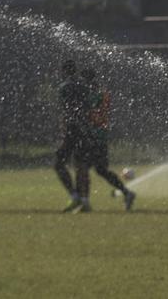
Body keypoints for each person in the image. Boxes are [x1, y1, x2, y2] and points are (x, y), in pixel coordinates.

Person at [75, 66, 135, 212]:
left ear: (85, 80)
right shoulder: (101, 93)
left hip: (92, 136)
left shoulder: (92, 95)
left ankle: (84, 202)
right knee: (101, 169)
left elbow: (88, 112)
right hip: (100, 136)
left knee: (83, 168)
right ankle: (127, 193)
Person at [54, 59, 92, 213]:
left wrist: (64, 130)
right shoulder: (84, 87)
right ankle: (85, 200)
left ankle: (74, 195)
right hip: (85, 130)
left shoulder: (64, 87)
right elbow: (88, 109)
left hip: (72, 129)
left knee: (59, 164)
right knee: (81, 165)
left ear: (64, 71)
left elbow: (66, 110)